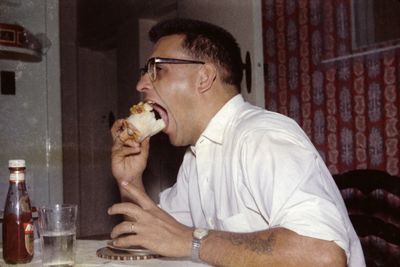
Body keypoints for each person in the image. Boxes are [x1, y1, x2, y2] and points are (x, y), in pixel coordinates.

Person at [109, 18, 365, 266]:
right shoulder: (196, 157)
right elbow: (155, 235)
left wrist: (192, 242)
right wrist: (129, 179)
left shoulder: (262, 138)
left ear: (204, 77)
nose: (141, 83)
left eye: (157, 70)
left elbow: (323, 256)